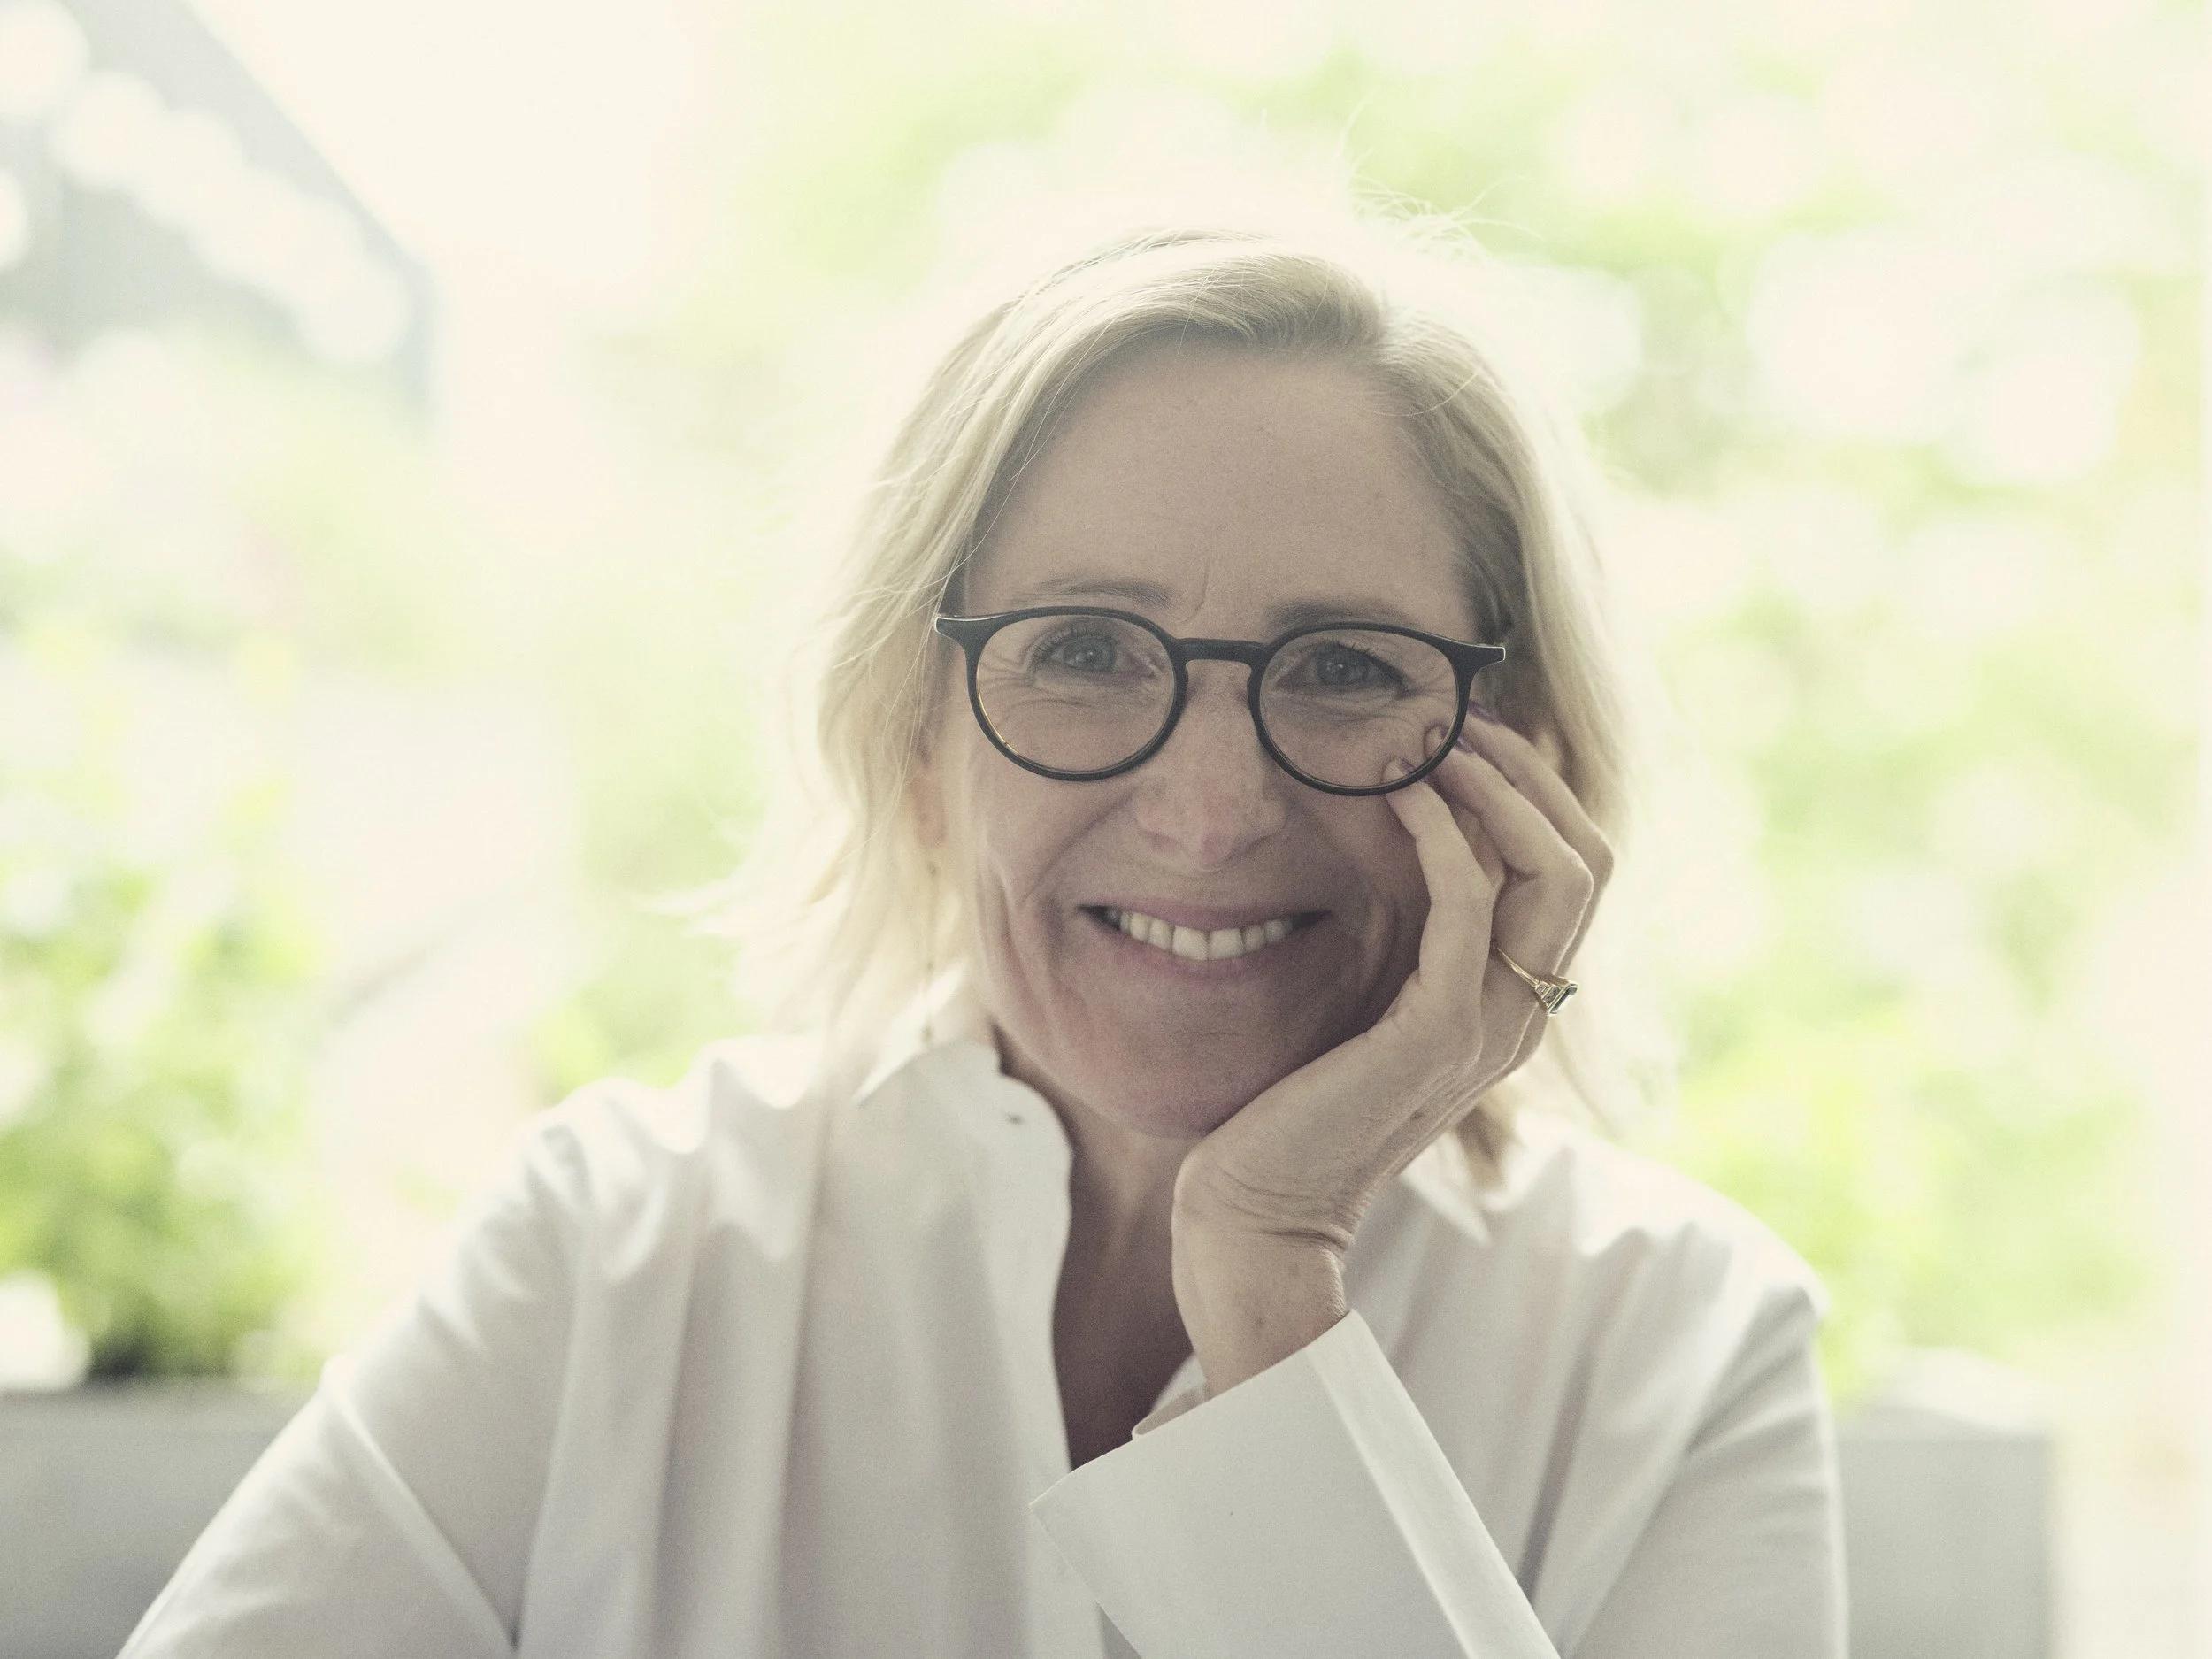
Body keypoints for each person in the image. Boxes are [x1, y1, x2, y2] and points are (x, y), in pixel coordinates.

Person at [123, 223, 1846, 1658]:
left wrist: (1265, 1279)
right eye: (1085, 651)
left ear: (1520, 759)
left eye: (1339, 666)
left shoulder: (1682, 1354)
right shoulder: (612, 1261)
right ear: (917, 741)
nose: (1210, 803)